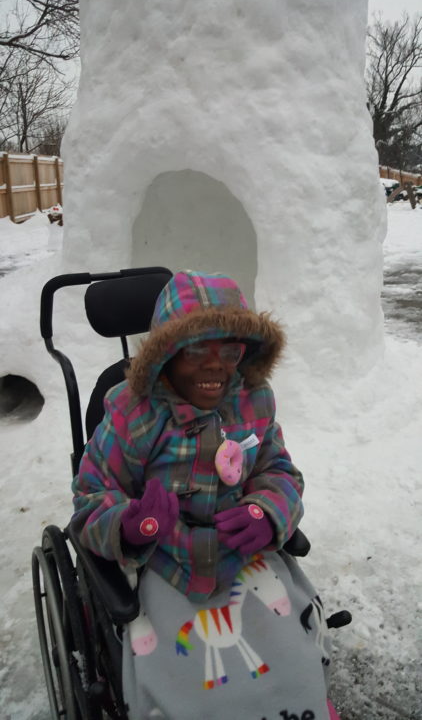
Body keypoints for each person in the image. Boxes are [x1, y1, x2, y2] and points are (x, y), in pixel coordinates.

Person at [72, 270, 336, 720]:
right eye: (197, 348)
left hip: (241, 551)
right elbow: (91, 494)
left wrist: (267, 511)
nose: (216, 365)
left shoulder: (254, 400)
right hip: (161, 557)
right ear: (166, 354)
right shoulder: (132, 413)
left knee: (295, 661)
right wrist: (128, 526)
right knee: (194, 687)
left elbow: (279, 470)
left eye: (229, 350)